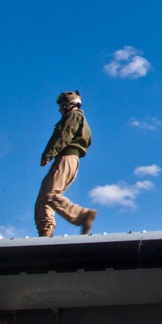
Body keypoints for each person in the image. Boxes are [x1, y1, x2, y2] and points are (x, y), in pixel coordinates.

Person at [35, 91, 97, 237]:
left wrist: (48, 154)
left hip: (66, 158)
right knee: (45, 196)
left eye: (61, 106)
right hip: (71, 160)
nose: (59, 110)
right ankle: (45, 232)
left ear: (69, 105)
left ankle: (82, 215)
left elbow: (63, 135)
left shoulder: (73, 116)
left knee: (50, 194)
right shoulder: (80, 119)